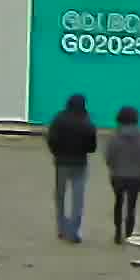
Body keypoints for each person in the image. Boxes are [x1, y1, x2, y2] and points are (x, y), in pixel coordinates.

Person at [43, 93, 99, 242]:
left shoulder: (59, 119)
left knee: (60, 196)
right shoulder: (87, 122)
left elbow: (51, 139)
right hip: (80, 164)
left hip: (61, 163)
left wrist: (56, 153)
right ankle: (74, 231)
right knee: (78, 199)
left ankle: (61, 228)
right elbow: (92, 147)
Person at [106, 106, 140, 242]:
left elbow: (109, 156)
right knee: (132, 205)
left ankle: (117, 232)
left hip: (117, 176)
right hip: (135, 176)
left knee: (118, 202)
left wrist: (113, 168)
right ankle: (129, 233)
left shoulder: (114, 136)